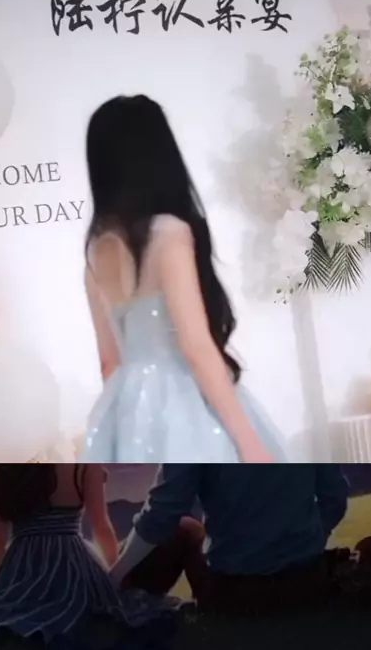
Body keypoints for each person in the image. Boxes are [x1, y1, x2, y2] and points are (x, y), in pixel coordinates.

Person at [80, 94, 286, 463]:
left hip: (126, 409)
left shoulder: (95, 252)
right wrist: (250, 445)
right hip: (186, 401)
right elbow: (195, 346)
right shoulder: (169, 233)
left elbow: (109, 362)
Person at [0, 464, 170, 647]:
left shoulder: (10, 465)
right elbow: (101, 525)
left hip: (23, 564)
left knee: (4, 613)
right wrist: (116, 577)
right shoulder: (83, 465)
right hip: (72, 564)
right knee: (91, 613)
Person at [109, 464, 350, 613]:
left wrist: (112, 580)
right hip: (308, 580)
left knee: (185, 529)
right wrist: (308, 543)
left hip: (234, 591)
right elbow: (335, 497)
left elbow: (160, 515)